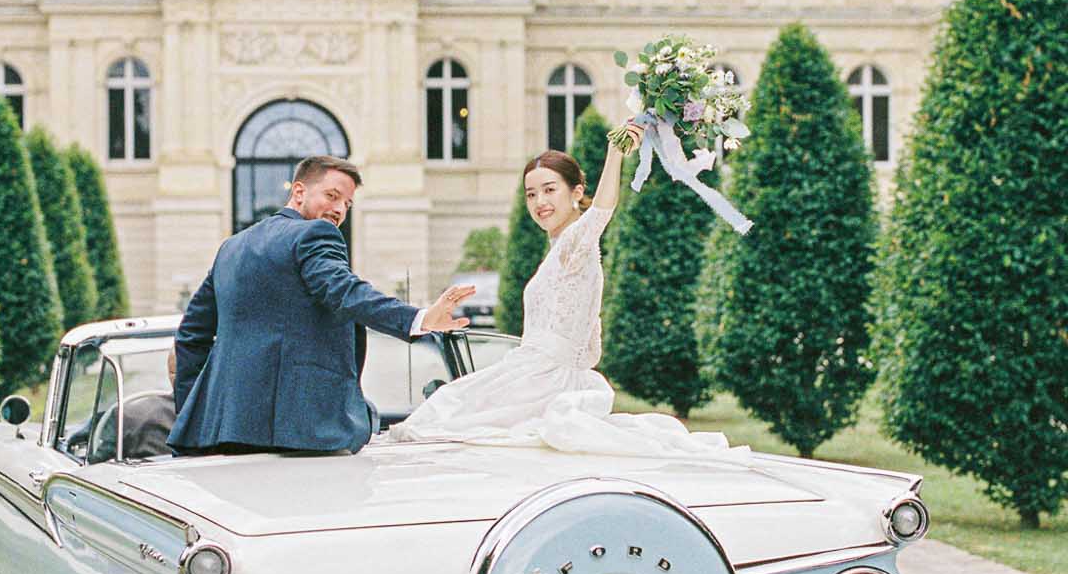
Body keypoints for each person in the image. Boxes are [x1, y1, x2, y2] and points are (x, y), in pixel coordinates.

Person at [389, 131, 741, 459]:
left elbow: (602, 211)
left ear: (576, 192)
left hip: (545, 382)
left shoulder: (577, 241)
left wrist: (615, 153)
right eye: (531, 194)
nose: (539, 201)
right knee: (448, 411)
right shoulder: (558, 248)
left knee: (448, 416)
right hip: (532, 372)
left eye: (549, 190)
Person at [170, 155, 473, 456]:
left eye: (348, 204)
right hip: (306, 434)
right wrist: (418, 318)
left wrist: (193, 416)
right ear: (299, 191)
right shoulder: (314, 234)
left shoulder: (232, 248)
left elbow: (189, 337)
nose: (340, 209)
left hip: (225, 434)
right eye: (332, 196)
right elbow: (344, 291)